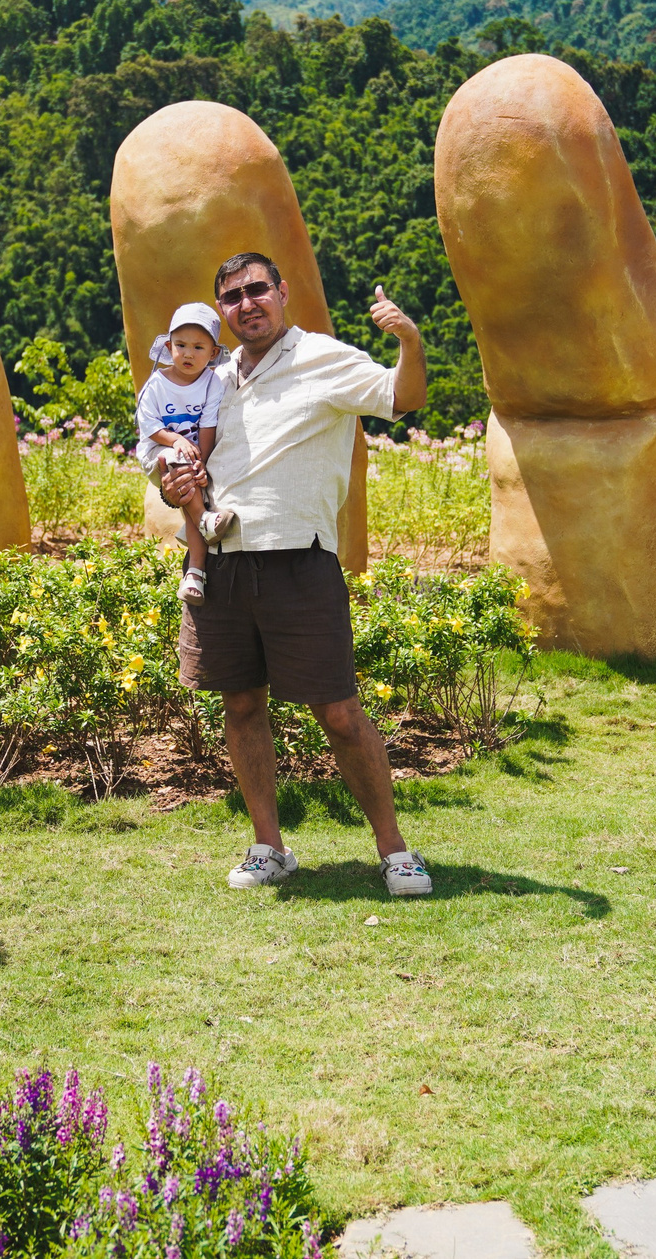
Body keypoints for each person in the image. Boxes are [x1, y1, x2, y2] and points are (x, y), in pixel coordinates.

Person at [158, 252, 435, 899]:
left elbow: (405, 396)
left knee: (338, 712)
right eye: (232, 296)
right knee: (241, 701)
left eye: (258, 289)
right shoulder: (211, 378)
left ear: (281, 293)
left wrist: (409, 341)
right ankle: (269, 846)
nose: (247, 303)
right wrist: (175, 485)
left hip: (299, 560)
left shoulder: (323, 357)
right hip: (218, 560)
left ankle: (395, 850)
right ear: (221, 310)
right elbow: (183, 468)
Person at [134, 301, 238, 606]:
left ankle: (195, 574)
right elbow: (149, 425)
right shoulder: (157, 383)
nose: (188, 354)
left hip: (192, 455)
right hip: (159, 452)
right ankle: (203, 518)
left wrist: (201, 464)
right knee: (178, 463)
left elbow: (208, 427)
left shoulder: (211, 383)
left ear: (214, 353)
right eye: (180, 345)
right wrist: (175, 440)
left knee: (190, 486)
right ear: (169, 347)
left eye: (198, 347)